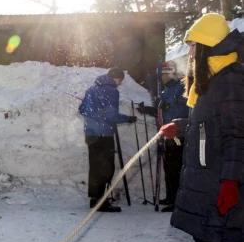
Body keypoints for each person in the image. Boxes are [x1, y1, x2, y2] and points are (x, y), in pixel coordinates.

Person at [160, 13, 244, 242]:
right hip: (204, 177)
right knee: (204, 239)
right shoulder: (210, 76)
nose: (190, 53)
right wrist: (179, 127)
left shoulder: (232, 78)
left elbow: (237, 135)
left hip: (222, 178)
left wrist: (231, 182)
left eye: (194, 45)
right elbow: (207, 124)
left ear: (209, 44)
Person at [78, 67, 137, 212]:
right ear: (114, 77)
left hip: (91, 134)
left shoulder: (92, 89)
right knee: (106, 168)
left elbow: (82, 109)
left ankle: (95, 199)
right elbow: (112, 116)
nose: (120, 83)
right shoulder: (112, 91)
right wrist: (128, 118)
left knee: (95, 167)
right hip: (104, 135)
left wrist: (95, 113)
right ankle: (101, 202)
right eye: (120, 80)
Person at [138, 62, 189, 212]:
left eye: (165, 74)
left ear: (172, 73)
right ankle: (170, 196)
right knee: (169, 167)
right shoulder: (166, 89)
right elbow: (163, 110)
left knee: (177, 167)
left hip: (179, 133)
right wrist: (150, 109)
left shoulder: (181, 87)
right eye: (161, 74)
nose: (162, 77)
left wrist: (168, 105)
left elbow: (187, 109)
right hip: (167, 133)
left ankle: (177, 201)